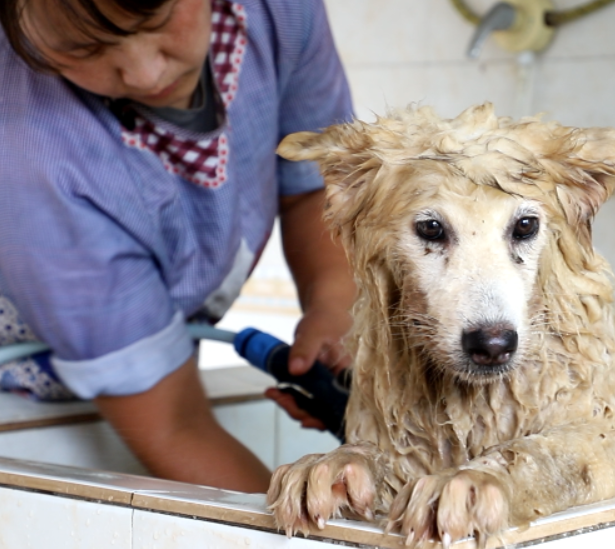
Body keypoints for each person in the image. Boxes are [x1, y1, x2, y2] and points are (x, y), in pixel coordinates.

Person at [0, 0, 356, 492]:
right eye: (84, 49)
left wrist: (335, 302)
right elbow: (174, 427)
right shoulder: (31, 156)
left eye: (155, 19)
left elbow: (313, 183)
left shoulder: (281, 12)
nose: (145, 74)